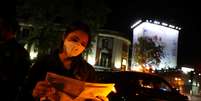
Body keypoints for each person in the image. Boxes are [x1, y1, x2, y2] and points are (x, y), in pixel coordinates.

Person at [20, 21, 108, 101]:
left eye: (83, 44)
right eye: (74, 39)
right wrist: (34, 93)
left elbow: (93, 96)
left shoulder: (88, 71)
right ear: (64, 36)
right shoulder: (43, 63)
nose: (77, 45)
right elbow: (24, 92)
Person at [0, 15, 31, 101]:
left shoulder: (20, 53)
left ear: (8, 29)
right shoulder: (22, 52)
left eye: (1, 27)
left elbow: (19, 79)